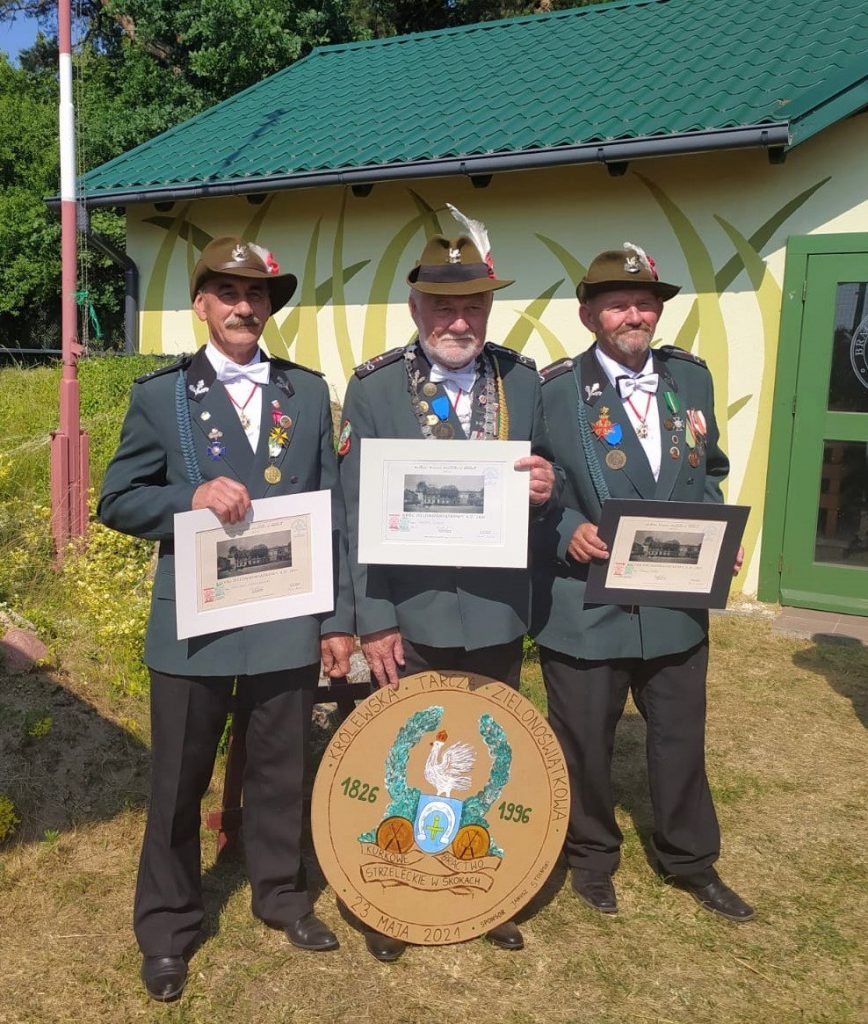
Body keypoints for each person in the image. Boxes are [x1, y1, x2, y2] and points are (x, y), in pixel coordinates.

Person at [99, 237, 355, 1002]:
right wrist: (188, 498)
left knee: (281, 768)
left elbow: (333, 510)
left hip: (284, 612)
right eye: (229, 292)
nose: (246, 306)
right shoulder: (161, 396)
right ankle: (170, 926)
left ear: (270, 306)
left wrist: (338, 618)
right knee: (178, 780)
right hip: (196, 624)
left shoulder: (308, 393)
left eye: (259, 295)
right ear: (202, 303)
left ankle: (280, 896)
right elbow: (116, 499)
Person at [338, 208, 557, 960]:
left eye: (472, 306)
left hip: (497, 611)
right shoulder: (372, 390)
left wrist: (544, 487)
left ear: (489, 309)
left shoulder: (524, 381)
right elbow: (356, 511)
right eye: (442, 305)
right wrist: (375, 618)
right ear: (415, 307)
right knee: (400, 754)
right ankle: (389, 892)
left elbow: (548, 478)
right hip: (411, 613)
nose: (457, 320)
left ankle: (482, 887)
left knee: (484, 753)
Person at [531, 244, 752, 923]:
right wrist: (565, 524)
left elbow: (708, 467)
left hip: (674, 599)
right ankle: (591, 855)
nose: (635, 313)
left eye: (645, 301)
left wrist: (719, 529)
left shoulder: (693, 378)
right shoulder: (553, 390)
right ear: (588, 313)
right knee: (586, 740)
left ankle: (690, 859)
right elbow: (530, 483)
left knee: (681, 734)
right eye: (619, 302)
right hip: (586, 600)